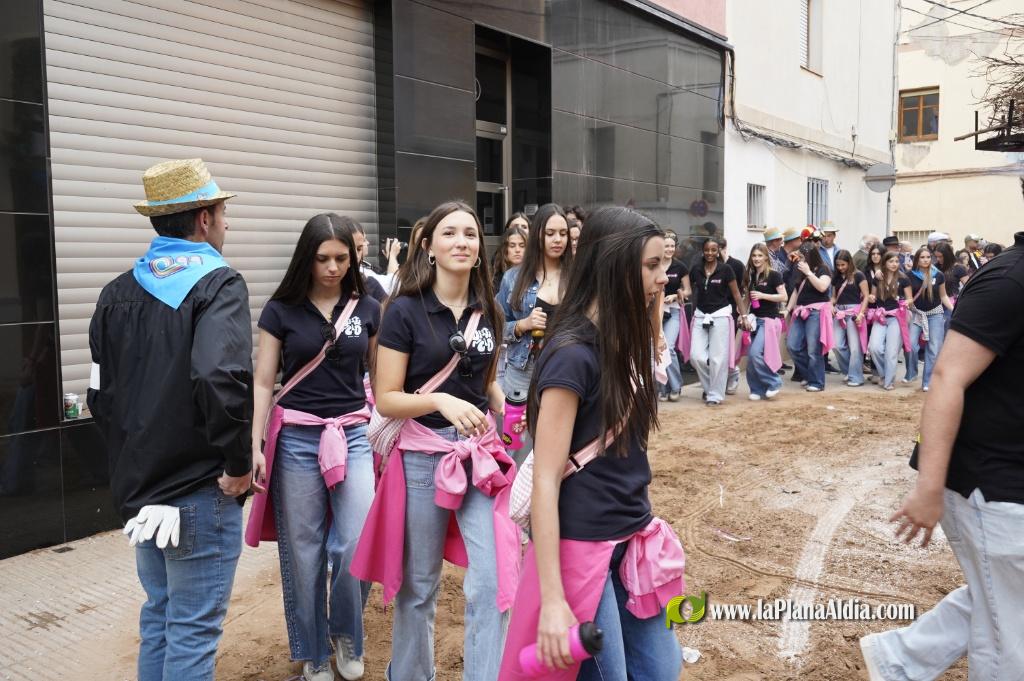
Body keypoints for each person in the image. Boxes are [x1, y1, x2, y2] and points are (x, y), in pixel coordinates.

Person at [497, 206, 684, 681]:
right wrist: (554, 601)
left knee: (662, 670)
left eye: (664, 265)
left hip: (634, 534)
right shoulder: (571, 356)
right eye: (651, 265)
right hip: (583, 548)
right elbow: (544, 481)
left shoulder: (626, 341)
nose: (664, 278)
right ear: (614, 264)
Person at [87, 159, 253, 680]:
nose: (227, 222)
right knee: (193, 631)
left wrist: (134, 469)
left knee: (160, 617)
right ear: (203, 218)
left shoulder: (115, 293)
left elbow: (100, 396)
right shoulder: (219, 284)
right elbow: (218, 379)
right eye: (223, 212)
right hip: (202, 491)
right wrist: (237, 462)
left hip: (144, 495)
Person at [351, 200, 515, 681]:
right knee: (419, 587)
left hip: (478, 458)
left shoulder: (492, 313)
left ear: (481, 250)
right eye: (449, 233)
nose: (461, 241)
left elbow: (480, 375)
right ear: (429, 247)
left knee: (492, 581)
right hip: (422, 459)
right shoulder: (402, 311)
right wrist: (442, 401)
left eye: (470, 234)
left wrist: (493, 393)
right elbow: (386, 399)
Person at [861, 231, 1024, 681]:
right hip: (993, 488)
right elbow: (947, 377)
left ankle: (900, 659)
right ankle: (900, 659)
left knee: (999, 598)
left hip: (1006, 482)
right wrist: (929, 488)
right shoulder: (1011, 279)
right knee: (1009, 639)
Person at [246, 214, 379, 681]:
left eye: (342, 258)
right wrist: (257, 443)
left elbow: (381, 382)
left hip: (354, 435)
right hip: (297, 438)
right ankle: (314, 653)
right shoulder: (280, 310)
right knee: (303, 552)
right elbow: (264, 382)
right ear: (307, 257)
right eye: (322, 258)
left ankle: (346, 632)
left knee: (355, 541)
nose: (333, 267)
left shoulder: (369, 308)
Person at [496, 203, 572, 461]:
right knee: (517, 447)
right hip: (522, 372)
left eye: (563, 233)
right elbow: (495, 327)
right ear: (538, 234)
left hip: (565, 371)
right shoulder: (513, 278)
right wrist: (522, 325)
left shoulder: (577, 277)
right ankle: (515, 500)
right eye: (551, 233)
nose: (558, 240)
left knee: (560, 445)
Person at [689, 239, 747, 405]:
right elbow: (690, 289)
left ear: (719, 251)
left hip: (721, 315)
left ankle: (714, 395)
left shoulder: (726, 269)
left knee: (717, 358)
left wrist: (743, 316)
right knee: (696, 356)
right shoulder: (696, 269)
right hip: (701, 315)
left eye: (713, 250)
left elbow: (736, 294)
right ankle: (711, 387)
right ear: (702, 250)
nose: (710, 253)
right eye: (707, 250)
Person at [903, 247, 954, 392]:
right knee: (911, 345)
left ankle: (927, 381)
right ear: (917, 260)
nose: (926, 260)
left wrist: (953, 309)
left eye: (928, 257)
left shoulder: (939, 275)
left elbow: (943, 296)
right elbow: (908, 296)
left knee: (934, 347)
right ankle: (912, 372)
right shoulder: (909, 276)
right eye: (922, 257)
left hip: (935, 313)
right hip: (916, 313)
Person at [785, 244, 834, 392]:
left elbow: (822, 287)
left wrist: (809, 273)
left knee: (814, 349)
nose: (798, 259)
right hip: (800, 311)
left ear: (809, 256)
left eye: (801, 256)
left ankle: (817, 382)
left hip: (816, 311)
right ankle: (809, 374)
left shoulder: (823, 269)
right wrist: (787, 310)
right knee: (792, 345)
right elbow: (795, 291)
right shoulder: (799, 270)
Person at [742, 243, 786, 400]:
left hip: (768, 320)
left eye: (760, 255)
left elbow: (783, 297)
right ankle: (756, 389)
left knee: (755, 354)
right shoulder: (750, 275)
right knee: (751, 355)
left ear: (766, 257)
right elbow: (747, 298)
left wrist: (763, 296)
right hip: (753, 321)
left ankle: (774, 381)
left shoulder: (774, 275)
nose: (756, 258)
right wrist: (743, 316)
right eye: (754, 255)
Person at [868, 252, 913, 390]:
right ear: (885, 263)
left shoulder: (904, 278)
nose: (894, 264)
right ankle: (883, 374)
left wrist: (907, 303)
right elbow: (873, 296)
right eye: (891, 261)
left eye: (896, 261)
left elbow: (910, 299)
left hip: (896, 317)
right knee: (874, 347)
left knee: (891, 351)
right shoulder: (878, 278)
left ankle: (889, 381)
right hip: (880, 316)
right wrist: (870, 298)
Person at [659, 230, 691, 401]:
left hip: (673, 311)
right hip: (655, 312)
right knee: (657, 349)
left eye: (672, 246)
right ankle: (663, 388)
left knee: (668, 348)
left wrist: (676, 295)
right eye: (666, 246)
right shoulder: (653, 264)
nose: (669, 249)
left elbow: (688, 290)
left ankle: (676, 386)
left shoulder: (680, 267)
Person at [830, 250, 869, 387]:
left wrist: (861, 314)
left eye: (843, 265)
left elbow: (866, 296)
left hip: (854, 313)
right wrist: (831, 305)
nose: (840, 268)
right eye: (838, 265)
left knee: (854, 347)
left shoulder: (859, 275)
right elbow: (834, 297)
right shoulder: (836, 277)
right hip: (839, 312)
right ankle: (849, 371)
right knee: (836, 345)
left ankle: (856, 377)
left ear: (849, 263)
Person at [717, 237, 746, 394]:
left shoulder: (736, 265)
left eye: (716, 250)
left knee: (727, 347)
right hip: (711, 312)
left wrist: (742, 312)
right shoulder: (708, 265)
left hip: (730, 311)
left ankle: (732, 374)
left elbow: (741, 289)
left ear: (723, 248)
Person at [492, 221, 528, 290]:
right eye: (512, 246)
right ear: (505, 249)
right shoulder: (494, 278)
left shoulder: (535, 275)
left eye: (522, 246)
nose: (517, 250)